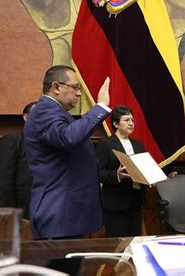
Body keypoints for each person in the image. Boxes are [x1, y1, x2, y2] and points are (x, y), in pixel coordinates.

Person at [23, 65, 111, 240]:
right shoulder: (44, 110)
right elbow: (68, 137)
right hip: (58, 214)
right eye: (75, 87)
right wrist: (100, 107)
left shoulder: (55, 112)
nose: (79, 93)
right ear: (56, 87)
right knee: (61, 268)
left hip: (67, 215)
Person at [96, 106, 145, 237]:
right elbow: (98, 174)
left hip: (136, 202)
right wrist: (116, 175)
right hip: (115, 203)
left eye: (133, 120)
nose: (131, 123)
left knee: (134, 243)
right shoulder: (105, 144)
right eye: (126, 120)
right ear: (115, 124)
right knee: (117, 244)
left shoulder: (139, 145)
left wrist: (149, 178)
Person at [0, 102, 37, 220]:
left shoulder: (52, 140)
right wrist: (10, 215)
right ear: (26, 117)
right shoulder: (12, 140)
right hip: (21, 211)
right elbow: (4, 184)